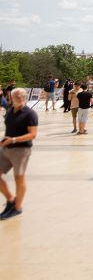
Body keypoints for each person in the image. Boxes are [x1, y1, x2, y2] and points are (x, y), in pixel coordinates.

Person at [0, 88, 38, 220]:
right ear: (11, 98)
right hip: (6, 148)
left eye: (23, 96)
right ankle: (11, 200)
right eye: (17, 96)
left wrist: (14, 140)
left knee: (19, 178)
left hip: (21, 150)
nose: (21, 98)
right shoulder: (10, 111)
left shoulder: (30, 114)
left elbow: (33, 134)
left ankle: (17, 208)